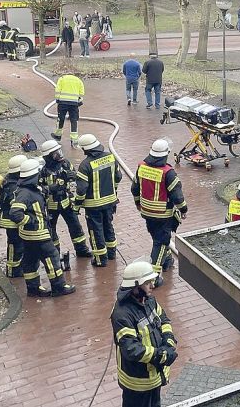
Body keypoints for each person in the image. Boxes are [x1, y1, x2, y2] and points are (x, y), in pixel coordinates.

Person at [110, 261, 177, 407]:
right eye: (147, 283)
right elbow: (131, 349)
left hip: (153, 377)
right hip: (137, 382)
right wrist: (160, 355)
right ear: (135, 287)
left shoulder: (148, 300)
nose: (152, 286)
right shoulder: (122, 315)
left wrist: (169, 342)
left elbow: (163, 320)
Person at [10, 159, 76, 297]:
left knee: (30, 261)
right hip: (38, 234)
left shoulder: (31, 188)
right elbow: (15, 213)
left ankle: (33, 289)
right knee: (52, 258)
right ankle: (59, 287)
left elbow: (46, 190)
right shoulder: (25, 193)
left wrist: (60, 183)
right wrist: (31, 221)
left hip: (29, 236)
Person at [131, 139, 186, 284]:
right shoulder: (168, 173)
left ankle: (167, 259)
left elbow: (134, 188)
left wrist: (138, 203)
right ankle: (153, 278)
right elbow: (177, 195)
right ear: (165, 154)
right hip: (163, 215)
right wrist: (183, 209)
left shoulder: (141, 167)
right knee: (160, 243)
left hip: (146, 212)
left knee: (157, 237)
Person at [75, 133, 122, 267]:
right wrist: (114, 191)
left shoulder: (85, 165)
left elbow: (81, 190)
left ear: (86, 149)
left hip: (93, 206)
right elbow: (118, 177)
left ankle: (101, 260)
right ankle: (112, 253)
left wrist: (77, 205)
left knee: (96, 232)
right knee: (108, 227)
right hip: (110, 201)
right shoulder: (111, 157)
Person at [39, 140, 92, 259]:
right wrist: (52, 188)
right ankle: (55, 255)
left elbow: (77, 176)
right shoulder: (43, 171)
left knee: (75, 227)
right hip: (51, 205)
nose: (59, 155)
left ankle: (82, 250)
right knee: (51, 231)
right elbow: (38, 189)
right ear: (48, 157)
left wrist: (74, 175)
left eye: (59, 151)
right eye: (56, 153)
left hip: (67, 202)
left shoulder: (66, 164)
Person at [0, 154, 28, 278]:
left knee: (19, 244)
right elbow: (14, 204)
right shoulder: (13, 186)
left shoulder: (11, 180)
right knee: (15, 245)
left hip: (12, 219)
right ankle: (12, 270)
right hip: (11, 221)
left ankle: (18, 266)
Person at [52, 74, 84, 146]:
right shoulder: (78, 80)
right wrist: (78, 101)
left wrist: (57, 99)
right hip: (74, 104)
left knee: (61, 119)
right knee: (74, 120)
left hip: (62, 103)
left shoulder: (62, 79)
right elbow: (81, 94)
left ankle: (58, 135)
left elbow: (57, 90)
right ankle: (74, 140)